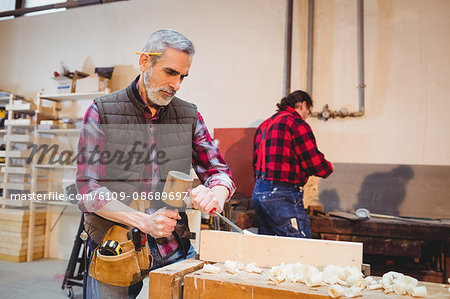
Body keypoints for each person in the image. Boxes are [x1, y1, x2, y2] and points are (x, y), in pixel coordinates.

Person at [76, 29, 235, 298]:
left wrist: (215, 195)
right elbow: (86, 191)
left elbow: (219, 172)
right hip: (115, 247)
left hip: (173, 245)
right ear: (144, 63)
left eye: (182, 76)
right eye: (170, 72)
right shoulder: (102, 111)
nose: (177, 85)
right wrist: (143, 221)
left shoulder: (189, 115)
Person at [252, 90, 333, 238]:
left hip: (259, 191)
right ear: (303, 105)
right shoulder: (296, 124)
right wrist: (328, 168)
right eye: (308, 112)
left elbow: (255, 162)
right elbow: (313, 162)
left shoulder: (264, 125)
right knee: (300, 246)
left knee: (267, 247)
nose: (306, 117)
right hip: (281, 194)